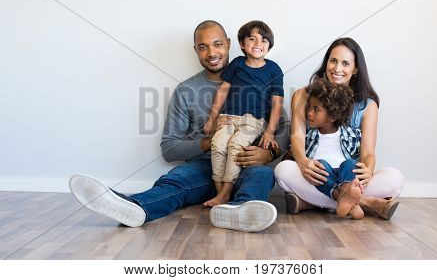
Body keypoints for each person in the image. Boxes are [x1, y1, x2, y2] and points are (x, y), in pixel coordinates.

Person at [69, 20, 290, 233]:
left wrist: (268, 153)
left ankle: (238, 211)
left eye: (218, 44)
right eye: (203, 47)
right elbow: (169, 148)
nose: (212, 53)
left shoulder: (263, 78)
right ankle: (135, 207)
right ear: (196, 50)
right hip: (205, 167)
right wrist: (209, 139)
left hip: (246, 161)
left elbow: (284, 126)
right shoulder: (186, 90)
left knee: (262, 175)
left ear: (230, 44)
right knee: (176, 180)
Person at [275, 37, 405, 220]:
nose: (337, 69)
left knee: (395, 178)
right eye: (333, 61)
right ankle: (367, 203)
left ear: (355, 69)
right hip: (316, 173)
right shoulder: (303, 95)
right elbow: (296, 138)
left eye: (345, 63)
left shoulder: (367, 105)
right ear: (326, 62)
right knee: (283, 170)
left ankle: (312, 202)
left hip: (349, 175)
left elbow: (368, 153)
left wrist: (368, 170)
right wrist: (304, 163)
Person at [203, 20, 284, 207]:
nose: (258, 44)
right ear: (242, 44)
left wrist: (270, 132)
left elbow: (277, 103)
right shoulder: (237, 64)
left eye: (264, 40)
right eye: (252, 39)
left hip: (252, 121)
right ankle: (220, 194)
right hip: (229, 119)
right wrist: (212, 118)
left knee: (236, 145)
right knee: (218, 144)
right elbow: (223, 90)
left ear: (269, 46)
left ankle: (225, 194)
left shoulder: (273, 70)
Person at [303, 78, 364, 219]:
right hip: (323, 177)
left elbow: (363, 157)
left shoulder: (351, 134)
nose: (309, 114)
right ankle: (348, 201)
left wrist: (363, 174)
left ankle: (346, 193)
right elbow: (296, 156)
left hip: (345, 176)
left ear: (333, 115)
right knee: (321, 165)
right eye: (309, 108)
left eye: (315, 109)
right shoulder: (308, 136)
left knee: (350, 164)